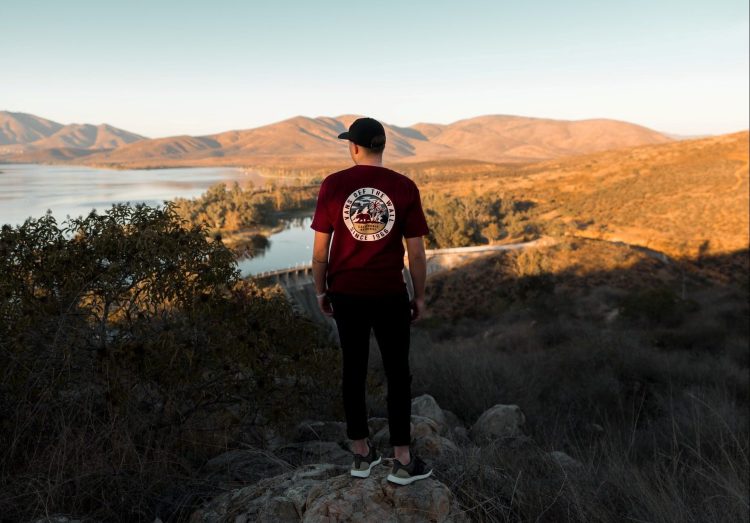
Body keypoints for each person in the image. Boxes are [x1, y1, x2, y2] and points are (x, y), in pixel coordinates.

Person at [310, 117, 433, 485]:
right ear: (382, 146)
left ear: (354, 147)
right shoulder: (404, 187)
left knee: (354, 371)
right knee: (398, 374)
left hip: (346, 293)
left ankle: (361, 455)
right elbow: (417, 254)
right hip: (389, 293)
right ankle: (402, 459)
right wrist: (420, 296)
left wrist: (320, 290)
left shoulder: (333, 185)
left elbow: (320, 252)